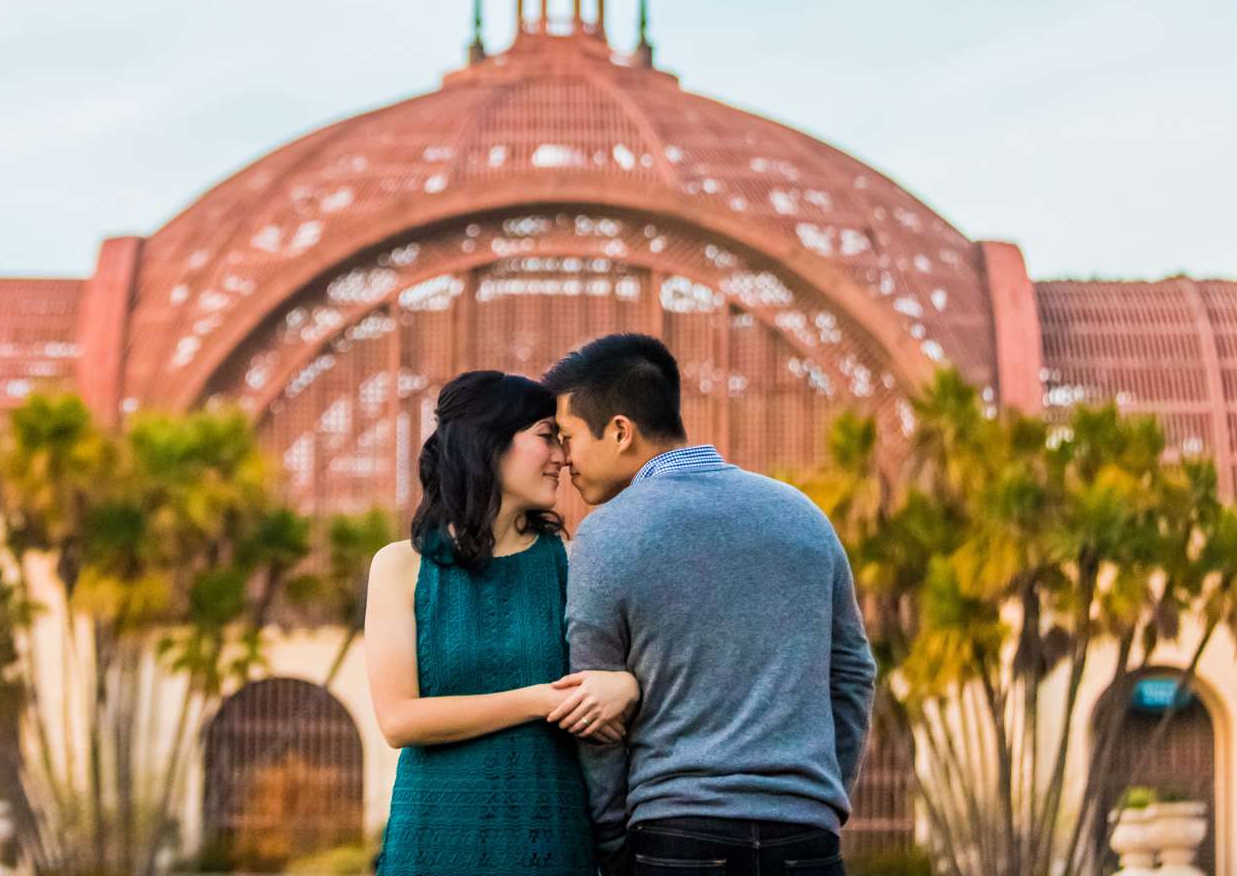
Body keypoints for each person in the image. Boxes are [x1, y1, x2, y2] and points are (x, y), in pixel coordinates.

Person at [547, 333, 877, 876]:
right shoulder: (802, 515)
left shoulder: (605, 536)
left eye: (569, 437)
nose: (565, 459)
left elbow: (592, 714)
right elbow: (853, 673)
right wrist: (819, 797)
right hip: (807, 841)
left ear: (620, 431)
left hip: (677, 836)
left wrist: (613, 845)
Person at [367, 370, 643, 876]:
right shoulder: (399, 566)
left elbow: (619, 685)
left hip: (552, 835)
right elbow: (399, 720)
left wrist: (624, 685)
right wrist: (540, 700)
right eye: (546, 437)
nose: (563, 457)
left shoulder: (576, 562)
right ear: (488, 443)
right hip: (433, 837)